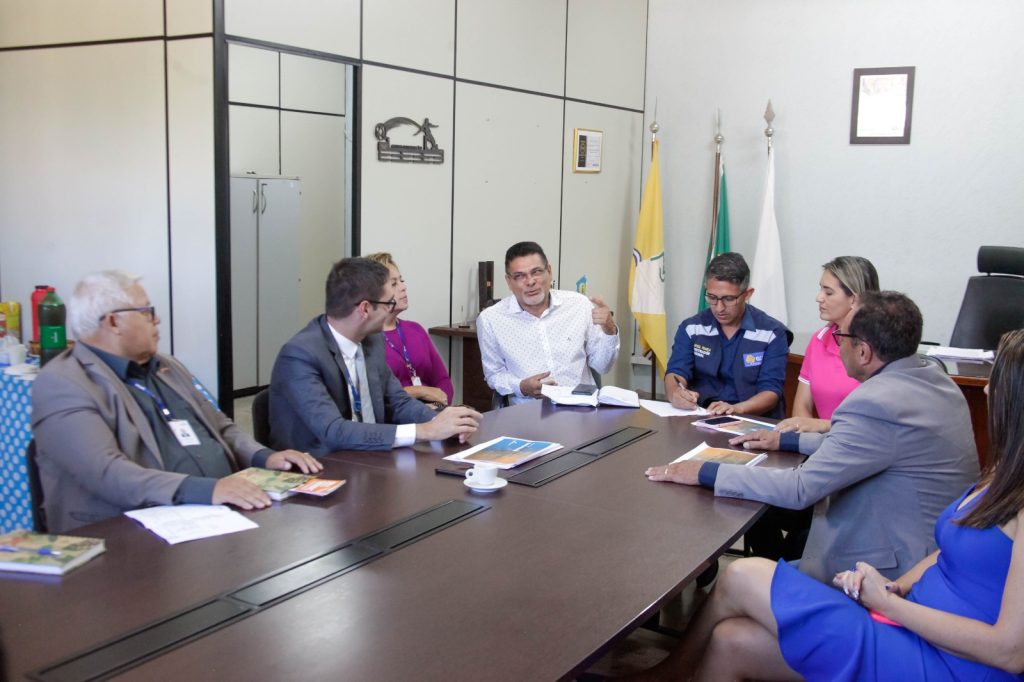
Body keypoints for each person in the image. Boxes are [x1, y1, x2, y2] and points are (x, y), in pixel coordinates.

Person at [643, 329, 1024, 682]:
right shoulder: (1005, 472)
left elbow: (1010, 652)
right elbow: (948, 550)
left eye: (999, 381)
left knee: (741, 575)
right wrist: (895, 587)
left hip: (946, 661)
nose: (987, 388)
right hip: (914, 619)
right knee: (731, 640)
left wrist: (889, 606)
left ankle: (668, 674)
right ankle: (670, 674)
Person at [647, 291, 980, 582]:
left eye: (841, 336)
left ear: (863, 352)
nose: (838, 343)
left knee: (736, 582)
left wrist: (704, 472)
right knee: (739, 597)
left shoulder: (875, 401)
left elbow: (799, 488)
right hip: (936, 552)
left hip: (893, 569)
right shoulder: (933, 378)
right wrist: (785, 440)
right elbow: (867, 444)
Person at [31, 270, 322, 533]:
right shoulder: (64, 382)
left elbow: (220, 426)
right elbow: (107, 473)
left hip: (217, 515)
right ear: (113, 321)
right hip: (129, 531)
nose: (157, 319)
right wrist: (207, 490)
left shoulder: (167, 367)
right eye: (146, 312)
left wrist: (263, 457)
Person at [269, 257, 482, 454]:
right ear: (365, 309)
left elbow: (398, 402)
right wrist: (424, 431)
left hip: (371, 458)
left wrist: (441, 421)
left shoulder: (372, 341)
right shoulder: (300, 356)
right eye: (389, 304)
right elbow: (333, 431)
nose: (392, 311)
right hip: (321, 466)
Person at [477, 241, 619, 405]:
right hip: (528, 411)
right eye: (520, 276)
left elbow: (602, 367)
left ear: (549, 272)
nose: (530, 282)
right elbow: (494, 375)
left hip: (581, 407)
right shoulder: (490, 319)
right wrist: (521, 386)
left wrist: (609, 330)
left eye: (536, 272)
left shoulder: (579, 305)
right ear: (509, 281)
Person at [665, 252, 790, 419]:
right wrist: (675, 393)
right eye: (712, 297)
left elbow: (771, 391)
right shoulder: (692, 328)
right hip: (702, 415)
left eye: (729, 299)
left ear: (747, 294)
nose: (719, 308)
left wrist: (736, 409)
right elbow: (676, 372)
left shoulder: (772, 333)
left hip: (751, 420)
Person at [777, 255, 879, 434]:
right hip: (819, 444)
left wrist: (823, 427)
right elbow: (801, 408)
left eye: (829, 292)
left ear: (854, 299)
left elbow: (878, 424)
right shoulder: (818, 340)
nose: (819, 298)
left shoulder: (880, 347)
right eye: (821, 289)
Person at [365, 252, 454, 408]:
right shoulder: (365, 339)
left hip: (435, 413)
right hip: (397, 418)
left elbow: (443, 380)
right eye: (394, 284)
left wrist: (435, 406)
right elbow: (375, 395)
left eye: (401, 281)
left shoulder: (415, 329)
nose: (403, 287)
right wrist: (419, 392)